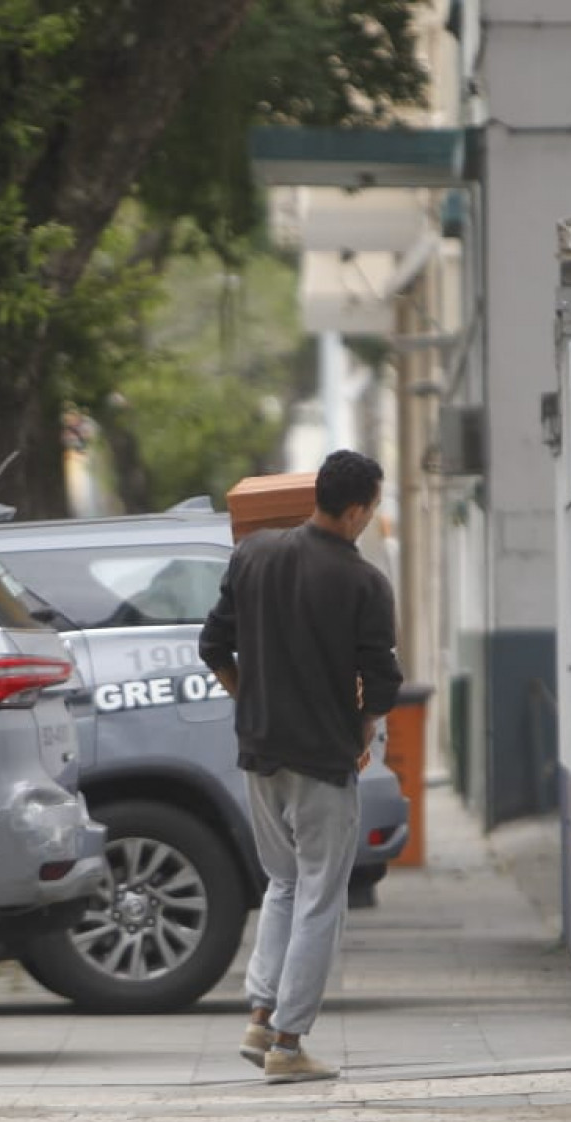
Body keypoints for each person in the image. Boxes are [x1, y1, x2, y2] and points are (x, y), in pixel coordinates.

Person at [198, 450, 404, 1082]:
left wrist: (249, 698)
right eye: (371, 508)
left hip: (259, 753)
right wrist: (363, 727)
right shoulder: (363, 581)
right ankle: (288, 1044)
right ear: (355, 509)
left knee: (283, 885)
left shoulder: (254, 553)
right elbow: (382, 680)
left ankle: (261, 1019)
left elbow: (212, 645)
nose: (370, 519)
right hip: (322, 759)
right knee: (321, 894)